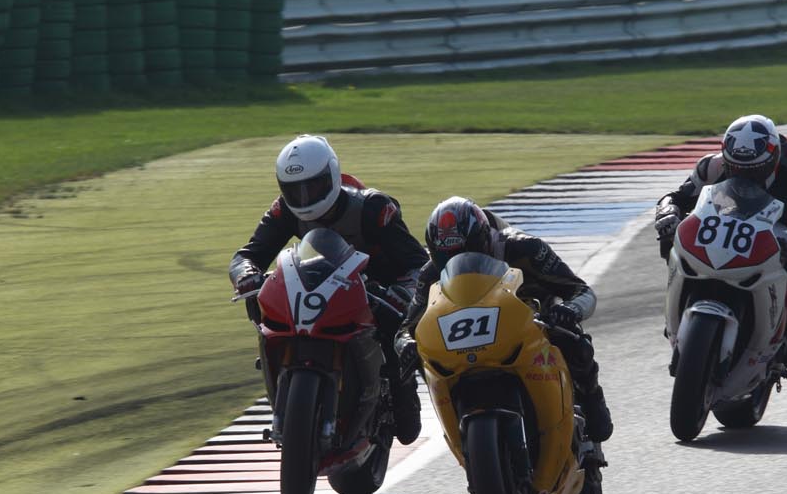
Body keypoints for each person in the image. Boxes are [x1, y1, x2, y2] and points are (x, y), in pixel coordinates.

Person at [229, 134, 428, 444]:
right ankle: (281, 381)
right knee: (262, 305)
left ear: (333, 176)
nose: (305, 198)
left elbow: (418, 261)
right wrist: (247, 274)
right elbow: (247, 255)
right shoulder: (285, 210)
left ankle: (403, 393)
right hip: (316, 288)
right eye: (295, 190)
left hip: (374, 292)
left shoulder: (373, 208)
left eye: (314, 187)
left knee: (406, 423)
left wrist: (403, 290)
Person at [404, 196, 614, 442]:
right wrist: (406, 343)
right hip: (467, 339)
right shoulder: (430, 272)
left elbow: (581, 291)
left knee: (573, 338)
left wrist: (569, 310)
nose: (456, 262)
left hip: (532, 325)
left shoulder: (525, 249)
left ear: (483, 239)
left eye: (464, 252)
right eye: (446, 257)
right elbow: (409, 325)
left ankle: (592, 400)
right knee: (417, 358)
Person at [653, 114, 787, 369]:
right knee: (672, 233)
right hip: (722, 231)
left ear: (772, 160)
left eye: (753, 172)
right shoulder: (711, 167)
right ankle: (676, 303)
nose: (743, 178)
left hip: (779, 248)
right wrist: (667, 212)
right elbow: (675, 197)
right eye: (736, 169)